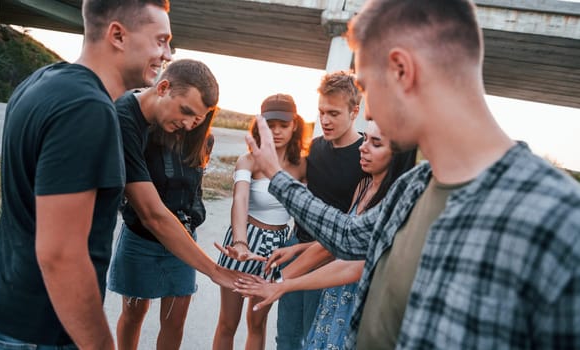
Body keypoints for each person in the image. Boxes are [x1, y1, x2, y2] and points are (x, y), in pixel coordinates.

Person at [245, 0, 580, 349]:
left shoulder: (560, 222)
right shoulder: (413, 188)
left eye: (367, 86)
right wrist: (276, 174)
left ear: (401, 70)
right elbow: (345, 237)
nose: (369, 110)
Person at [0, 1, 172, 348]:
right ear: (118, 35)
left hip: (12, 316)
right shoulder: (86, 109)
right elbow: (61, 256)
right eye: (160, 40)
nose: (167, 54)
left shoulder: (42, 81)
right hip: (42, 332)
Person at [235, 120, 417, 349]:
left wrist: (282, 283)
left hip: (359, 303)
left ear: (398, 155)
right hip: (334, 297)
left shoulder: (394, 203)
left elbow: (353, 264)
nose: (363, 147)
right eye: (365, 138)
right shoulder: (363, 187)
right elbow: (343, 240)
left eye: (376, 143)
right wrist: (298, 249)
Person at [107, 58, 242, 350]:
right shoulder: (135, 124)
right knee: (133, 313)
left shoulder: (200, 138)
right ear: (164, 87)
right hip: (141, 237)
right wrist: (216, 271)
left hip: (182, 240)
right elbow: (152, 214)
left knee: (175, 319)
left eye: (199, 117)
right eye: (186, 112)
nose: (190, 123)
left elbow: (194, 191)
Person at [273, 71, 366, 350]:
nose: (325, 120)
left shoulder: (365, 156)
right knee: (286, 337)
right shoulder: (315, 148)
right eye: (321, 112)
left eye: (334, 113)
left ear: (354, 112)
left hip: (330, 260)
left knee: (313, 340)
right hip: (295, 247)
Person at [212, 94, 307, 350]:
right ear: (260, 125)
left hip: (277, 247)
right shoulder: (249, 160)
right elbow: (240, 200)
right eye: (271, 124)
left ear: (294, 125)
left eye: (283, 125)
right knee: (228, 323)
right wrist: (240, 243)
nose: (276, 131)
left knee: (257, 323)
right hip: (245, 239)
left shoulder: (302, 166)